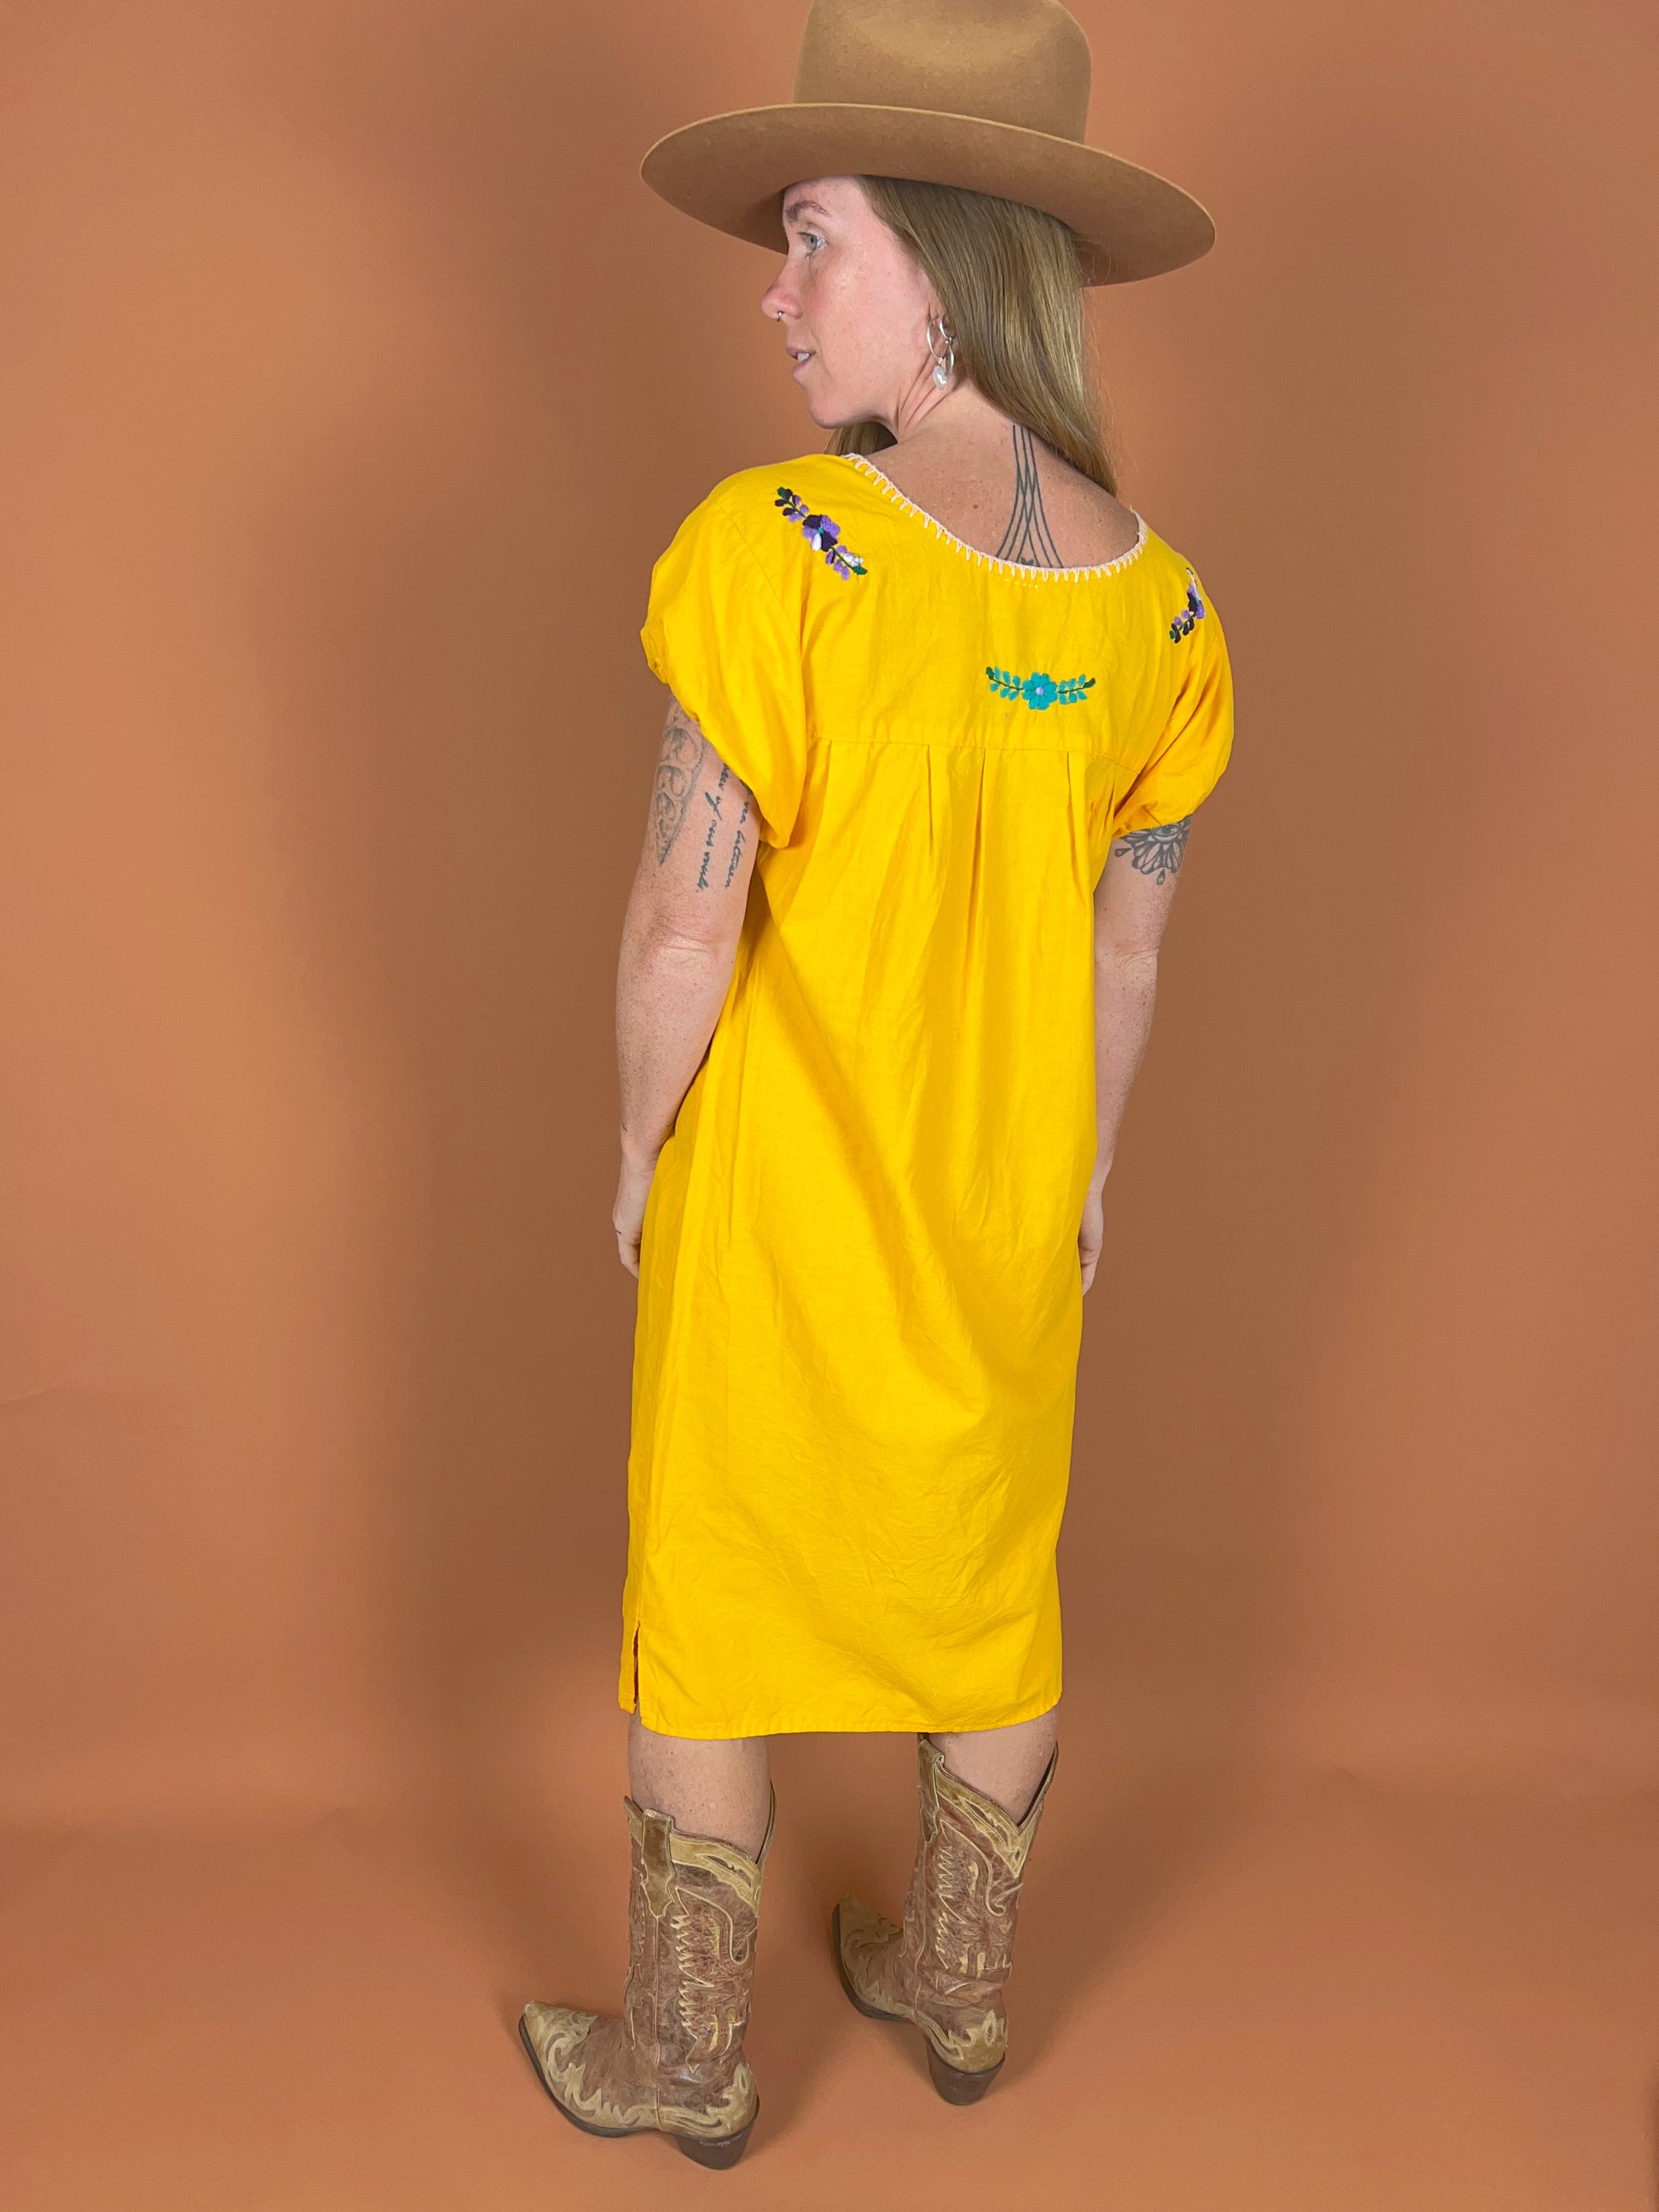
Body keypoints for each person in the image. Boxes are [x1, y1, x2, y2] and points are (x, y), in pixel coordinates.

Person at [519, 0, 1234, 2169]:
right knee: (991, 1585)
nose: (775, 287)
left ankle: (688, 2059)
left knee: (710, 1608)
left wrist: (635, 1141)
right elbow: (1125, 948)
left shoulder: (774, 548)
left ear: (942, 261)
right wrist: (1080, 1172)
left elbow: (680, 927)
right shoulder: (1166, 615)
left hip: (784, 1201)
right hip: (1006, 1204)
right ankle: (959, 1981)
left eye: (813, 234)